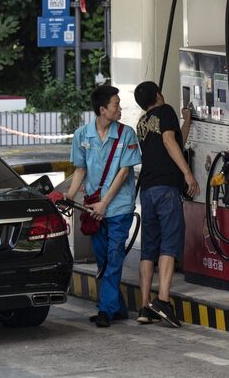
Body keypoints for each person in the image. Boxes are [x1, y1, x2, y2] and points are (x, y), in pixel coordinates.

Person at [63, 85, 141, 328]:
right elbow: (80, 169)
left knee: (114, 256)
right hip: (92, 210)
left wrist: (104, 203)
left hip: (118, 207)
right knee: (103, 259)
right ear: (102, 109)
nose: (120, 109)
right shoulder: (82, 136)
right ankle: (116, 307)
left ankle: (106, 310)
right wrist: (69, 197)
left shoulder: (126, 135)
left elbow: (124, 171)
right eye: (116, 105)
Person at [134, 81, 199, 327]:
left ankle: (144, 306)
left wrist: (188, 120)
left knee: (149, 247)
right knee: (169, 244)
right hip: (166, 189)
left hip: (147, 190)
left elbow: (174, 138)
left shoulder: (142, 123)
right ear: (159, 95)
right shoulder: (165, 110)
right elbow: (171, 142)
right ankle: (162, 300)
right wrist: (187, 174)